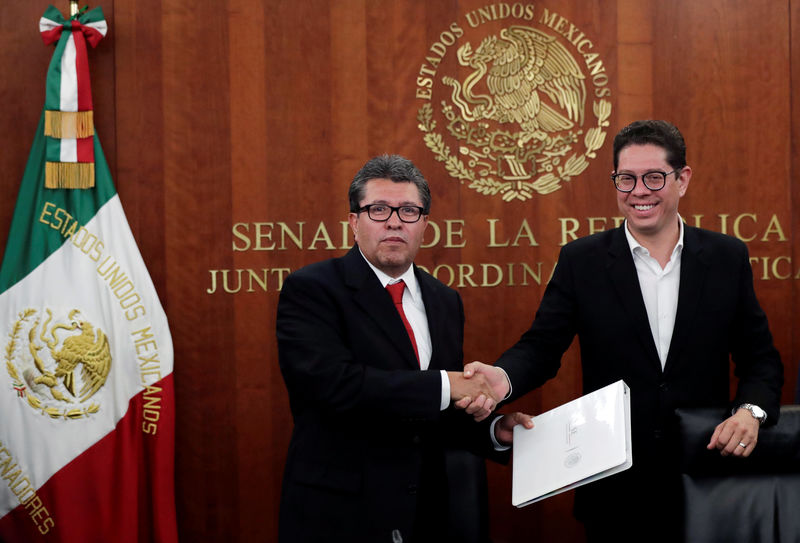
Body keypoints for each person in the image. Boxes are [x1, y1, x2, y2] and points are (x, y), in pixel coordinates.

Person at [459, 120, 784, 542]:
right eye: (626, 179)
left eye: (653, 177)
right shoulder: (583, 260)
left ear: (682, 180)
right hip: (614, 487)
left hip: (706, 477)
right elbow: (541, 347)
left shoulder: (726, 257)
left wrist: (751, 411)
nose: (639, 191)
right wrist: (500, 380)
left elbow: (760, 360)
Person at [276, 154, 532, 543]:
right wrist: (448, 386)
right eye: (378, 209)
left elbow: (436, 412)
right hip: (341, 515)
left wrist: (495, 430)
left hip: (426, 515)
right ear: (353, 221)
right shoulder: (312, 289)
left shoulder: (444, 299)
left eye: (409, 211)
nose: (394, 221)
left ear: (424, 224)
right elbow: (335, 387)